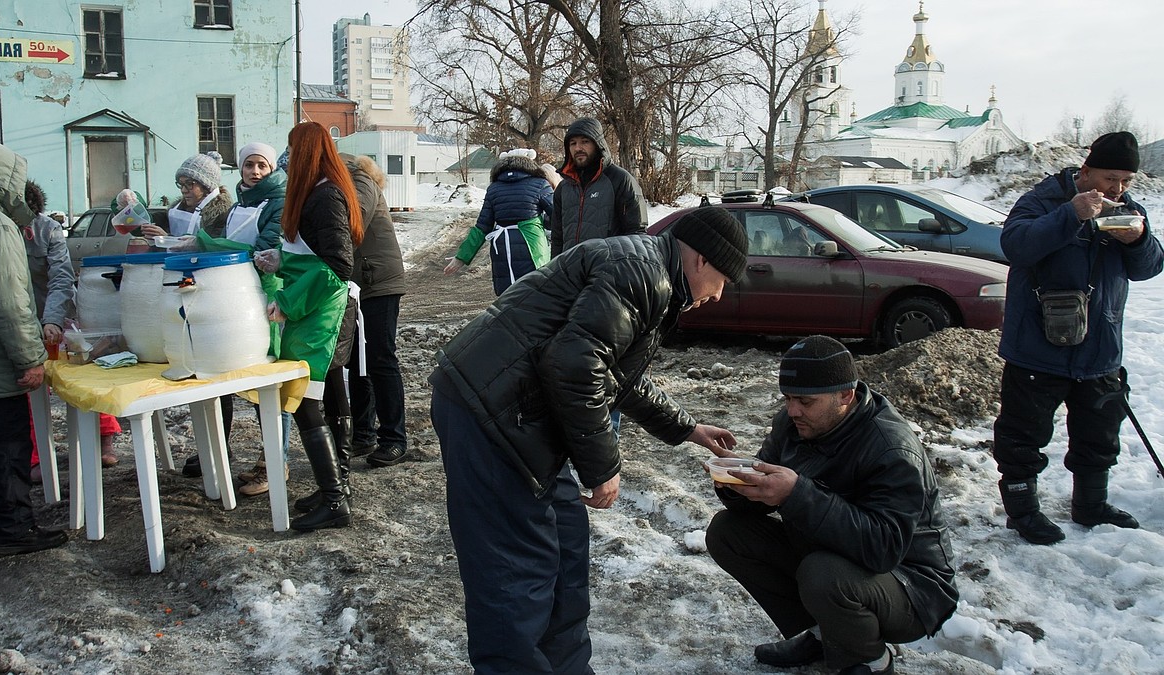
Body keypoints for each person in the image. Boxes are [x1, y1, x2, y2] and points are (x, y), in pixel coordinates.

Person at [429, 206, 746, 673]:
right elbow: (575, 365)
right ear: (701, 259)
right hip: (491, 415)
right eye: (723, 280)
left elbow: (615, 374)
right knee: (514, 575)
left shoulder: (651, 275)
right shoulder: (644, 275)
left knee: (566, 549)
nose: (719, 295)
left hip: (521, 416)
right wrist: (603, 468)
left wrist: (688, 429)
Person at [705, 336, 958, 675]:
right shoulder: (794, 424)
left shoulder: (890, 449)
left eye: (805, 401)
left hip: (912, 586)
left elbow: (884, 548)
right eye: (788, 399)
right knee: (729, 532)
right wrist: (740, 484)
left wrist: (795, 494)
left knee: (823, 574)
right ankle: (824, 633)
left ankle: (869, 660)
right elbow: (766, 491)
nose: (793, 410)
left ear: (845, 395)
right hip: (832, 557)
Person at [993, 131, 1164, 545]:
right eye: (1109, 178)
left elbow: (1150, 267)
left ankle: (1090, 504)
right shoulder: (1042, 201)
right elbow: (1015, 245)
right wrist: (1070, 215)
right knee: (1022, 437)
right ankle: (1023, 512)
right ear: (1085, 171)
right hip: (1037, 348)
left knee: (1098, 434)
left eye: (1125, 181)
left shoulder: (1128, 210)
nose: (1117, 189)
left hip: (1099, 349)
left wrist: (1138, 240)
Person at [0, 137, 68, 557]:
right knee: (4, 448)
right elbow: (8, 302)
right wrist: (29, 357)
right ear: (5, 179)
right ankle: (12, 530)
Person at [258, 122, 361, 532]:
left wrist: (286, 300)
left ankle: (335, 499)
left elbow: (338, 264)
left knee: (307, 401)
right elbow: (322, 255)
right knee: (332, 397)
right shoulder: (324, 192)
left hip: (323, 315)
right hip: (327, 311)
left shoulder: (324, 195)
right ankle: (337, 488)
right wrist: (283, 262)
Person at [181, 141, 295, 496]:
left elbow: (262, 248)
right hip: (240, 293)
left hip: (268, 293)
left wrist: (203, 244)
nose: (255, 171)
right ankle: (268, 459)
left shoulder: (279, 200)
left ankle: (276, 463)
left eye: (262, 165)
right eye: (249, 165)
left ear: (272, 168)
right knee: (254, 380)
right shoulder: (241, 202)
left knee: (271, 380)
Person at [23, 180, 121, 479]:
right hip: (18, 321)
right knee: (29, 385)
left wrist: (52, 319)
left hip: (54, 314)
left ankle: (105, 437)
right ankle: (36, 456)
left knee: (82, 375)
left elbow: (60, 278)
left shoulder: (47, 230)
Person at [336, 153, 410, 471]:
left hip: (378, 282)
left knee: (380, 358)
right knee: (356, 360)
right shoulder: (342, 184)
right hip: (357, 284)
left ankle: (394, 439)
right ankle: (363, 435)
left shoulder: (360, 182)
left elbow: (351, 227)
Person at [444, 148, 553, 296]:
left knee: (507, 293)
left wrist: (461, 257)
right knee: (535, 289)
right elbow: (558, 214)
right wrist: (544, 223)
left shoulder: (494, 188)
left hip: (501, 245)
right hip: (531, 244)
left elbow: (482, 226)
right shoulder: (540, 184)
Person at [549, 116, 648, 258]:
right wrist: (555, 272)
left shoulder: (620, 180)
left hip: (608, 274)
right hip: (570, 274)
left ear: (598, 144)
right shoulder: (563, 188)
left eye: (585, 142)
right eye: (573, 143)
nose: (578, 148)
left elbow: (637, 234)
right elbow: (557, 238)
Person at [141, 151, 233, 240]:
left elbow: (209, 247)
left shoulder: (222, 216)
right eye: (181, 184)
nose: (183, 190)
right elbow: (146, 223)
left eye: (189, 184)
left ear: (206, 187)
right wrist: (134, 204)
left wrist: (167, 238)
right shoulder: (177, 209)